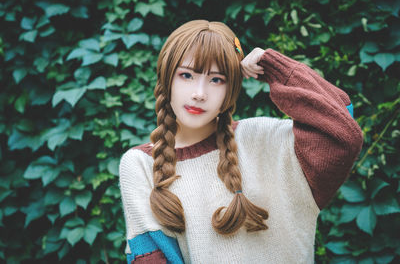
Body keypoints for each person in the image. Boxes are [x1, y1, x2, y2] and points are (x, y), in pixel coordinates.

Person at [119, 20, 363, 264]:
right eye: (186, 75)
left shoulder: (264, 138)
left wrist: (274, 68)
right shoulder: (140, 165)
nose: (199, 93)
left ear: (231, 89)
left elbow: (341, 128)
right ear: (166, 78)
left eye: (217, 79)